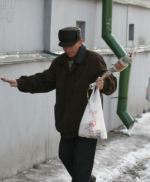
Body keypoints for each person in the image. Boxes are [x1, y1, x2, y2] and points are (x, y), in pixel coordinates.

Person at [1, 27, 117, 182]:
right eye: (64, 46)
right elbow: (44, 80)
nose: (67, 49)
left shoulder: (93, 60)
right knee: (65, 154)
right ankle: (87, 179)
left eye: (71, 45)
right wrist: (21, 82)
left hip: (87, 122)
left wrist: (104, 84)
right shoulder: (60, 63)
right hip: (67, 121)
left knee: (82, 164)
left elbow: (110, 80)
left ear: (80, 42)